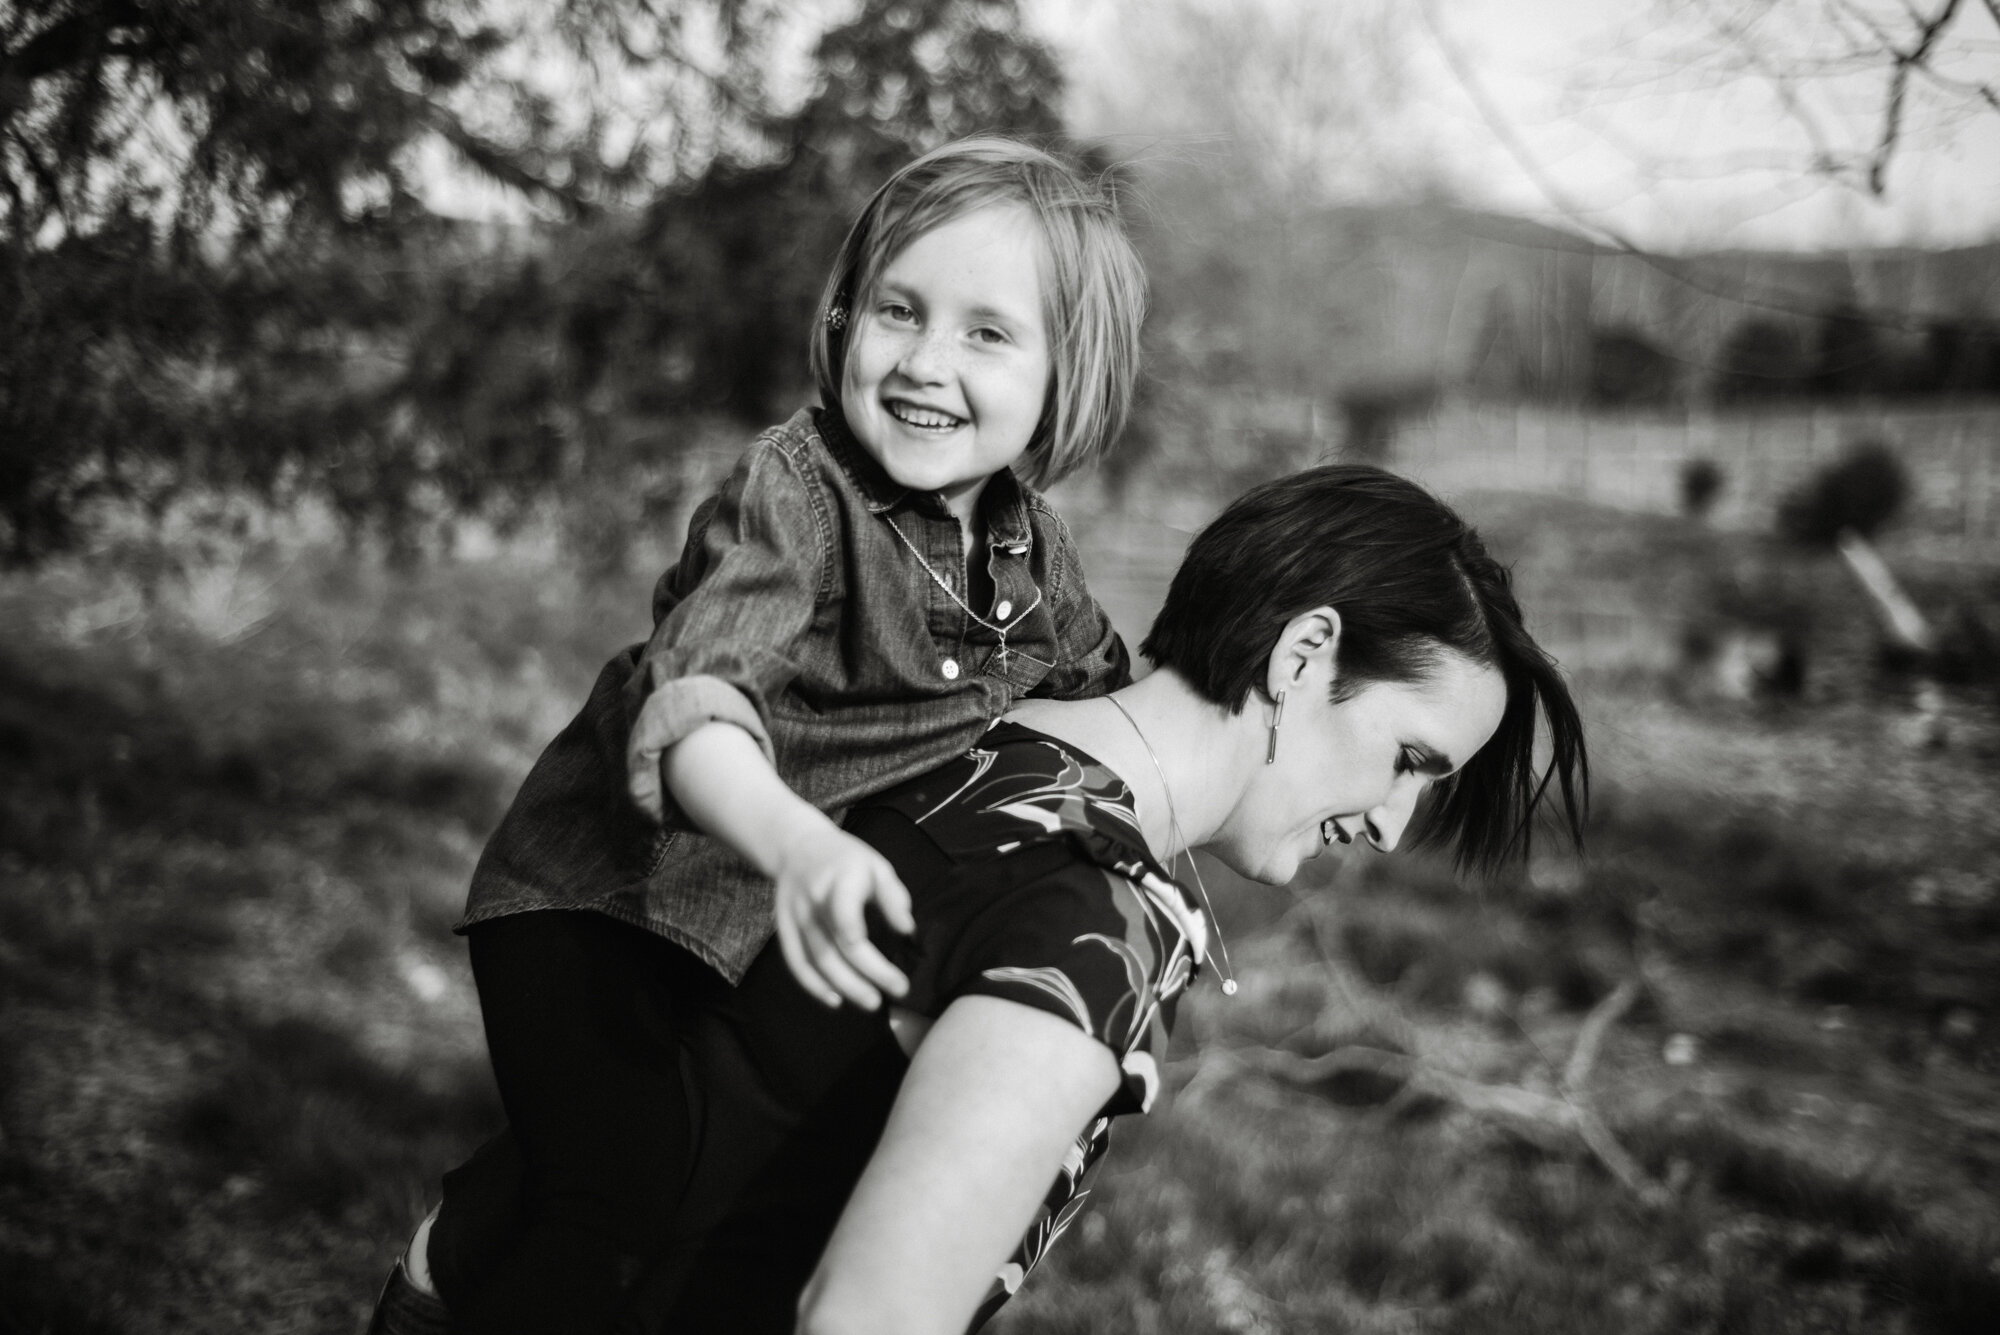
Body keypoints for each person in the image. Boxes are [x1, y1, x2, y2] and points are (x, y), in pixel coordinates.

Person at [394, 464, 1590, 1335]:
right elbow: (871, 1313)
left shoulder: (955, 715)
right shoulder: (1098, 921)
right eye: (1410, 762)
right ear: (1300, 657)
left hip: (466, 1273)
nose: (1390, 825)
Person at [365, 135, 1148, 1335]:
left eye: (986, 333)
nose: (925, 363)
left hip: (745, 948)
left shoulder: (1033, 557)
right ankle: (448, 1283)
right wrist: (801, 847)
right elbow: (697, 710)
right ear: (842, 319)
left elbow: (1107, 705)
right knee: (613, 1206)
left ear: (1065, 374)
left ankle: (476, 1226)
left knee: (695, 1194)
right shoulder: (796, 491)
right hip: (601, 905)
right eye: (898, 310)